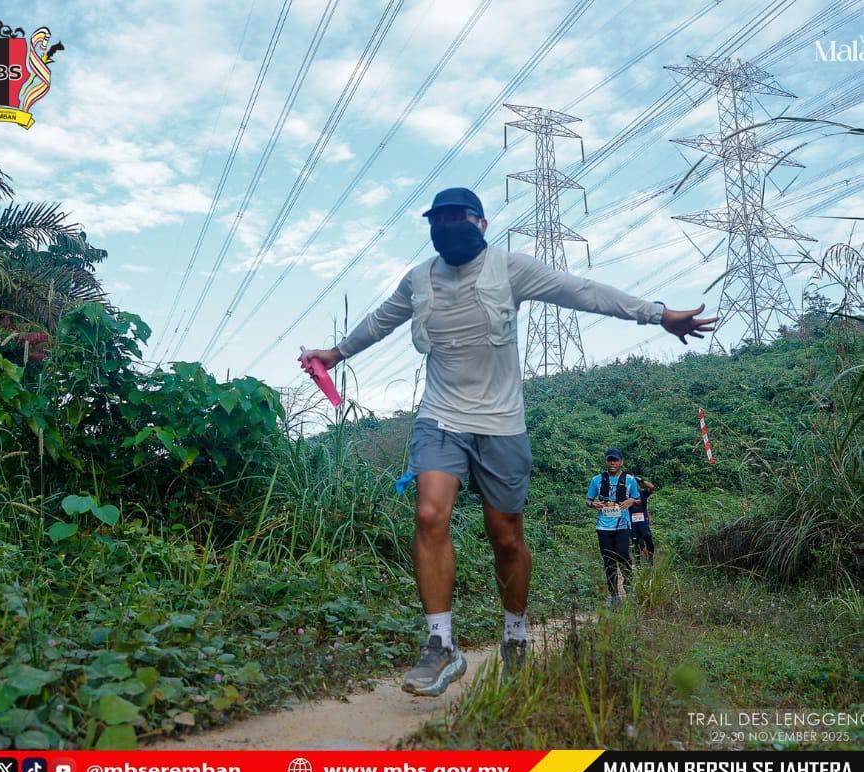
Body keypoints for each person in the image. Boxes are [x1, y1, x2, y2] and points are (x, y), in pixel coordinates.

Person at [300, 187, 716, 696]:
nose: (447, 226)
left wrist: (657, 313)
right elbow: (379, 321)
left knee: (506, 537)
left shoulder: (509, 269)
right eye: (437, 220)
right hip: (441, 418)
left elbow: (583, 291)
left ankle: (515, 634)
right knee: (429, 513)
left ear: (481, 223)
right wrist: (336, 353)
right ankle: (441, 644)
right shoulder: (419, 280)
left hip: (501, 425)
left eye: (458, 217)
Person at [586, 449, 639, 608]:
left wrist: (631, 501)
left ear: (621, 462)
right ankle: (614, 595)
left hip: (622, 525)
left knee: (623, 556)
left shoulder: (630, 480)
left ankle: (628, 589)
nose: (612, 463)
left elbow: (638, 499)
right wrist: (593, 504)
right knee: (608, 561)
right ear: (606, 462)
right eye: (610, 460)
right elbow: (588, 500)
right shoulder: (597, 480)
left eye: (615, 460)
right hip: (603, 527)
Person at [629, 473, 656, 562]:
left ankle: (650, 559)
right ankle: (638, 563)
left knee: (648, 538)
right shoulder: (626, 496)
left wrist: (640, 479)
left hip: (643, 521)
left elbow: (651, 487)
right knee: (635, 542)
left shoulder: (642, 493)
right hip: (632, 521)